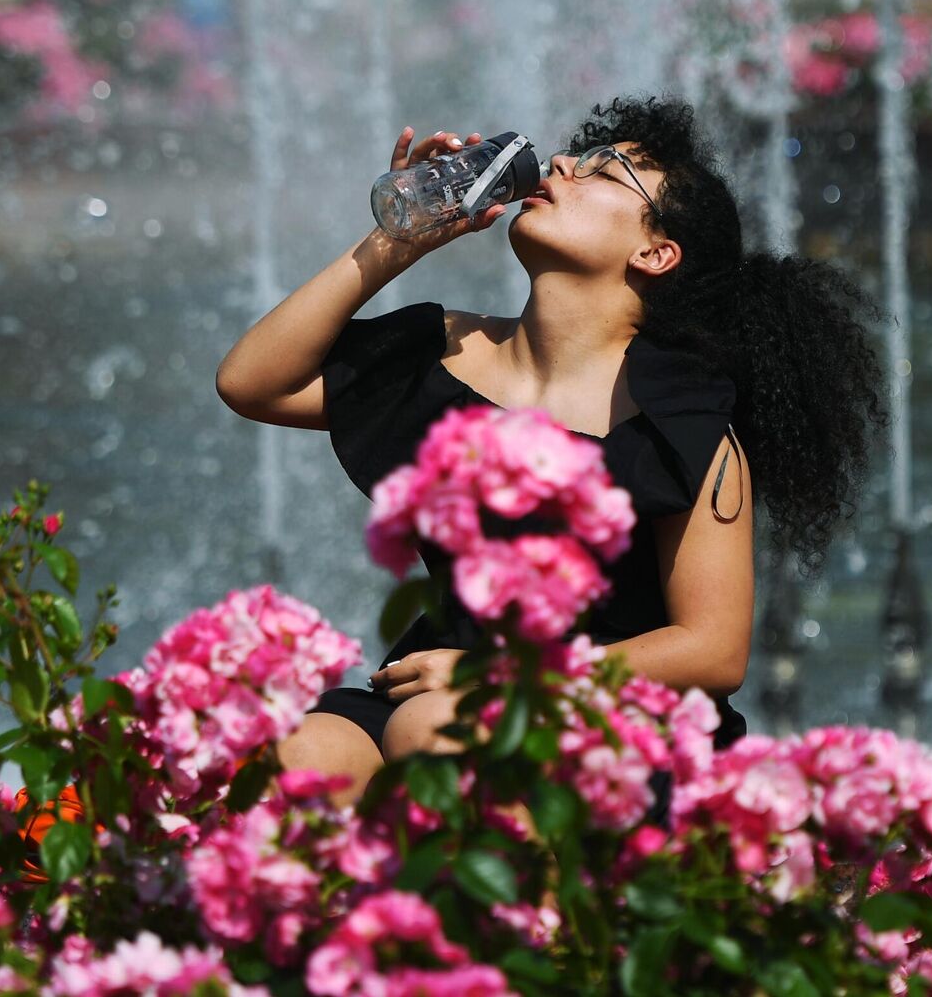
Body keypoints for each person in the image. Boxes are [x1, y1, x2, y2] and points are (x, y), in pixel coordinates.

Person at [217, 97, 884, 803]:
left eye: (607, 172)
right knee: (297, 758)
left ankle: (528, 914)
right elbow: (252, 383)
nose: (561, 163)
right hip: (438, 689)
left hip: (613, 723)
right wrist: (398, 241)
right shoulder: (448, 353)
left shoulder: (683, 423)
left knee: (435, 732)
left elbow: (713, 650)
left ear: (655, 252)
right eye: (577, 158)